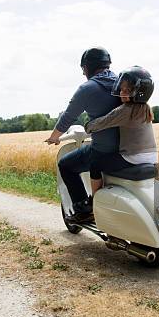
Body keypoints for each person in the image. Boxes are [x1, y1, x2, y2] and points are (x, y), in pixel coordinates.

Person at [44, 47, 121, 223]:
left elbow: (68, 116)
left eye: (83, 69)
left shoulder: (88, 88)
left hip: (103, 150)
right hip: (128, 147)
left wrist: (54, 137)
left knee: (65, 165)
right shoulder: (121, 83)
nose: (83, 72)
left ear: (88, 67)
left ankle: (83, 210)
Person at [84, 66, 158, 195]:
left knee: (95, 164)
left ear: (139, 92)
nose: (122, 92)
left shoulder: (125, 110)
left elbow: (102, 122)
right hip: (152, 157)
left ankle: (93, 200)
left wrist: (88, 126)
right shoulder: (146, 108)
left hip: (133, 157)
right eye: (122, 88)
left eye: (128, 90)